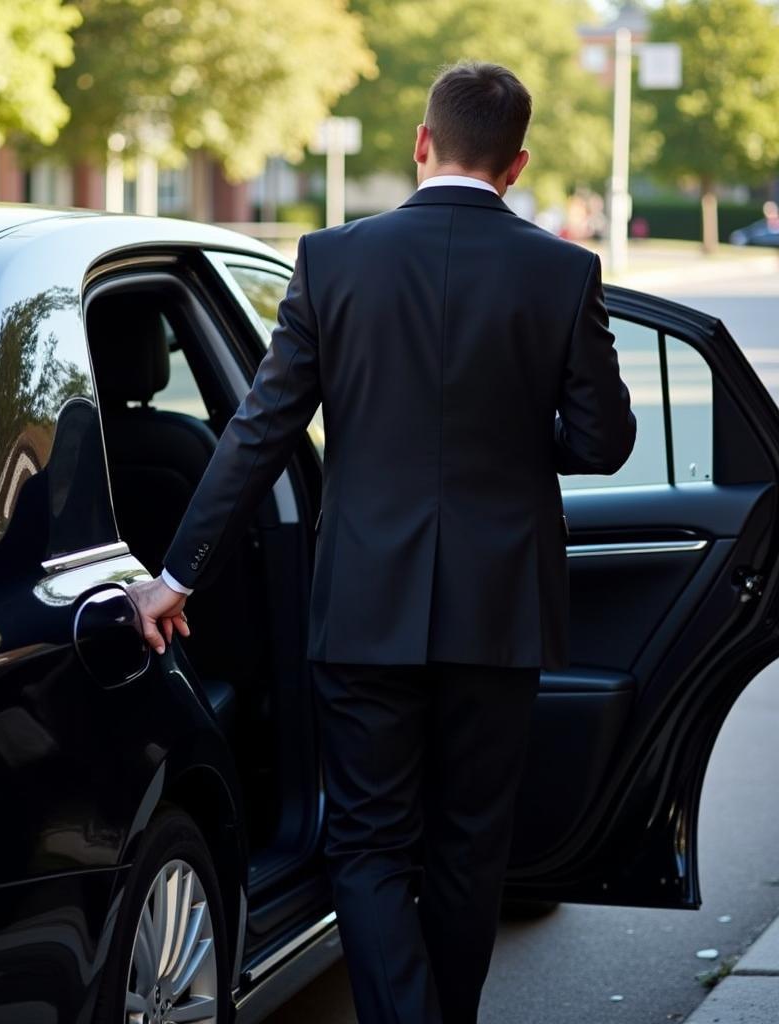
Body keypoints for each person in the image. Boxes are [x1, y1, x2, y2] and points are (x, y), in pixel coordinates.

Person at [128, 61, 636, 1024]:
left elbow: (259, 433)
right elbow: (605, 443)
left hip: (364, 607)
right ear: (517, 164)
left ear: (420, 141)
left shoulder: (332, 261)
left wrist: (174, 575)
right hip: (500, 612)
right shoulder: (564, 273)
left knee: (367, 845)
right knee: (469, 844)